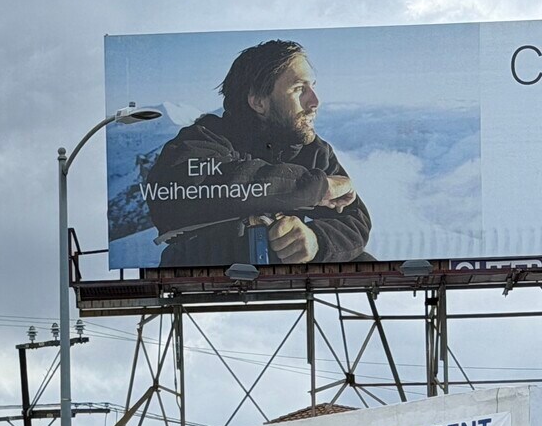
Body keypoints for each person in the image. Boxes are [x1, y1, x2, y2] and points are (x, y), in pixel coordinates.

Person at [144, 39, 372, 268]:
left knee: (363, 262)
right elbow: (188, 187)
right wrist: (315, 187)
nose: (315, 101)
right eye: (298, 89)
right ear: (259, 103)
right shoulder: (204, 139)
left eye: (312, 86)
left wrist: (316, 241)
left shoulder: (313, 151)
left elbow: (354, 221)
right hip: (207, 283)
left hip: (282, 283)